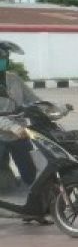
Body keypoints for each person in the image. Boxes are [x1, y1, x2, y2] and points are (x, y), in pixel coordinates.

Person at [0, 41, 40, 191]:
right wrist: (12, 126)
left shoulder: (13, 79)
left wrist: (54, 108)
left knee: (30, 173)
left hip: (19, 133)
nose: (2, 62)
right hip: (3, 133)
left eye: (4, 59)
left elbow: (34, 100)